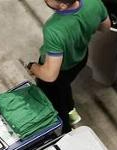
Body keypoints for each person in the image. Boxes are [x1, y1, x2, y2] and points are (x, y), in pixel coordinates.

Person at [27, 0, 111, 130]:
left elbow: (50, 75)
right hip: (80, 58)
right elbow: (105, 27)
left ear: (63, 5)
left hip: (60, 69)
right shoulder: (94, 2)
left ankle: (65, 129)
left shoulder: (53, 29)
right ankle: (71, 110)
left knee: (56, 101)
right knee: (64, 87)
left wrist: (33, 67)